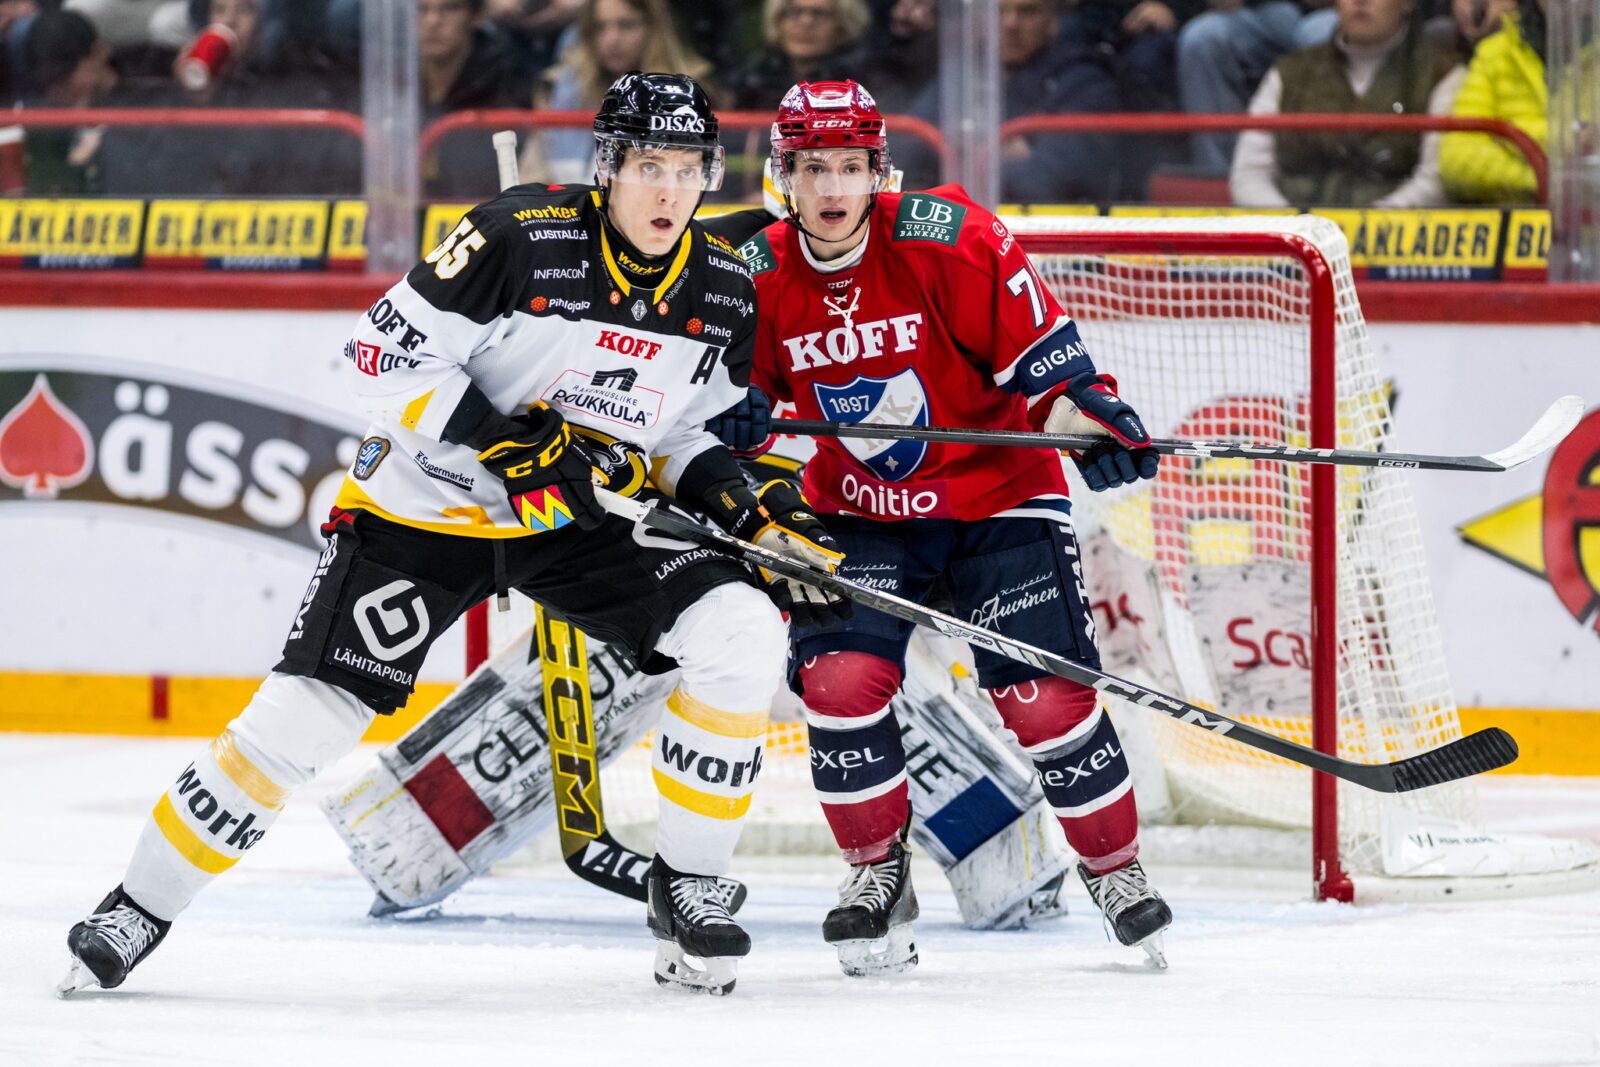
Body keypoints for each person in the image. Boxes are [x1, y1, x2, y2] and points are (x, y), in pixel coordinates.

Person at [62, 72, 846, 1000]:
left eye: (687, 169)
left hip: (574, 520)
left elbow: (675, 436)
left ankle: (690, 888)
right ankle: (137, 905)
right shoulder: (519, 237)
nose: (669, 191)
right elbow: (378, 355)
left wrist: (752, 508)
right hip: (425, 506)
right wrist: (504, 437)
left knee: (740, 632)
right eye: (648, 166)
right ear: (607, 166)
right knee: (306, 717)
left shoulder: (722, 288)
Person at [708, 80, 1174, 976]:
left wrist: (1092, 427)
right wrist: (736, 418)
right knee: (840, 683)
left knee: (1045, 701)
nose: (832, 188)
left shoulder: (951, 239)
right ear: (783, 176)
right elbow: (740, 410)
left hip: (997, 497)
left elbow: (1053, 380)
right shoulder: (755, 274)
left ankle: (1116, 871)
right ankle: (876, 873)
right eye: (813, 168)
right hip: (858, 510)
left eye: (850, 166)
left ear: (878, 171)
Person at [1230, 0, 1465, 207]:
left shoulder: (1443, 74)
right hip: (1294, 235)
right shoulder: (1289, 73)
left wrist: (1371, 225)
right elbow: (1249, 174)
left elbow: (1435, 180)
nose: (1360, 1)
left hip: (1396, 236)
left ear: (1408, 3)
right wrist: (1295, 227)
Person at [523, 0, 718, 184]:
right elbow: (532, 176)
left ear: (655, 29)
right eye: (600, 27)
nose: (612, 39)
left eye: (626, 26)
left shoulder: (691, 97)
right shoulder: (559, 91)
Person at [1178, 0, 1341, 173]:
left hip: (1328, 13)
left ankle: (1334, 176)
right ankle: (1220, 178)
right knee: (1202, 38)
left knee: (1318, 35)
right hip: (1257, 11)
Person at [997, 0, 1124, 202]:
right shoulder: (962, 78)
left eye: (1028, 12)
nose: (1010, 23)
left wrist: (979, 162)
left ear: (1054, 21)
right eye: (998, 12)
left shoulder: (1086, 83)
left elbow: (1050, 179)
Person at [1438, 0, 1545, 204]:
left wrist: (1508, 138)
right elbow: (1457, 158)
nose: (1474, 6)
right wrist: (1538, 180)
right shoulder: (1491, 53)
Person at [725, 0, 872, 111]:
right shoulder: (751, 82)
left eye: (819, 14)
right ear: (777, 21)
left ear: (843, 25)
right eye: (794, 12)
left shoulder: (865, 85)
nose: (805, 22)